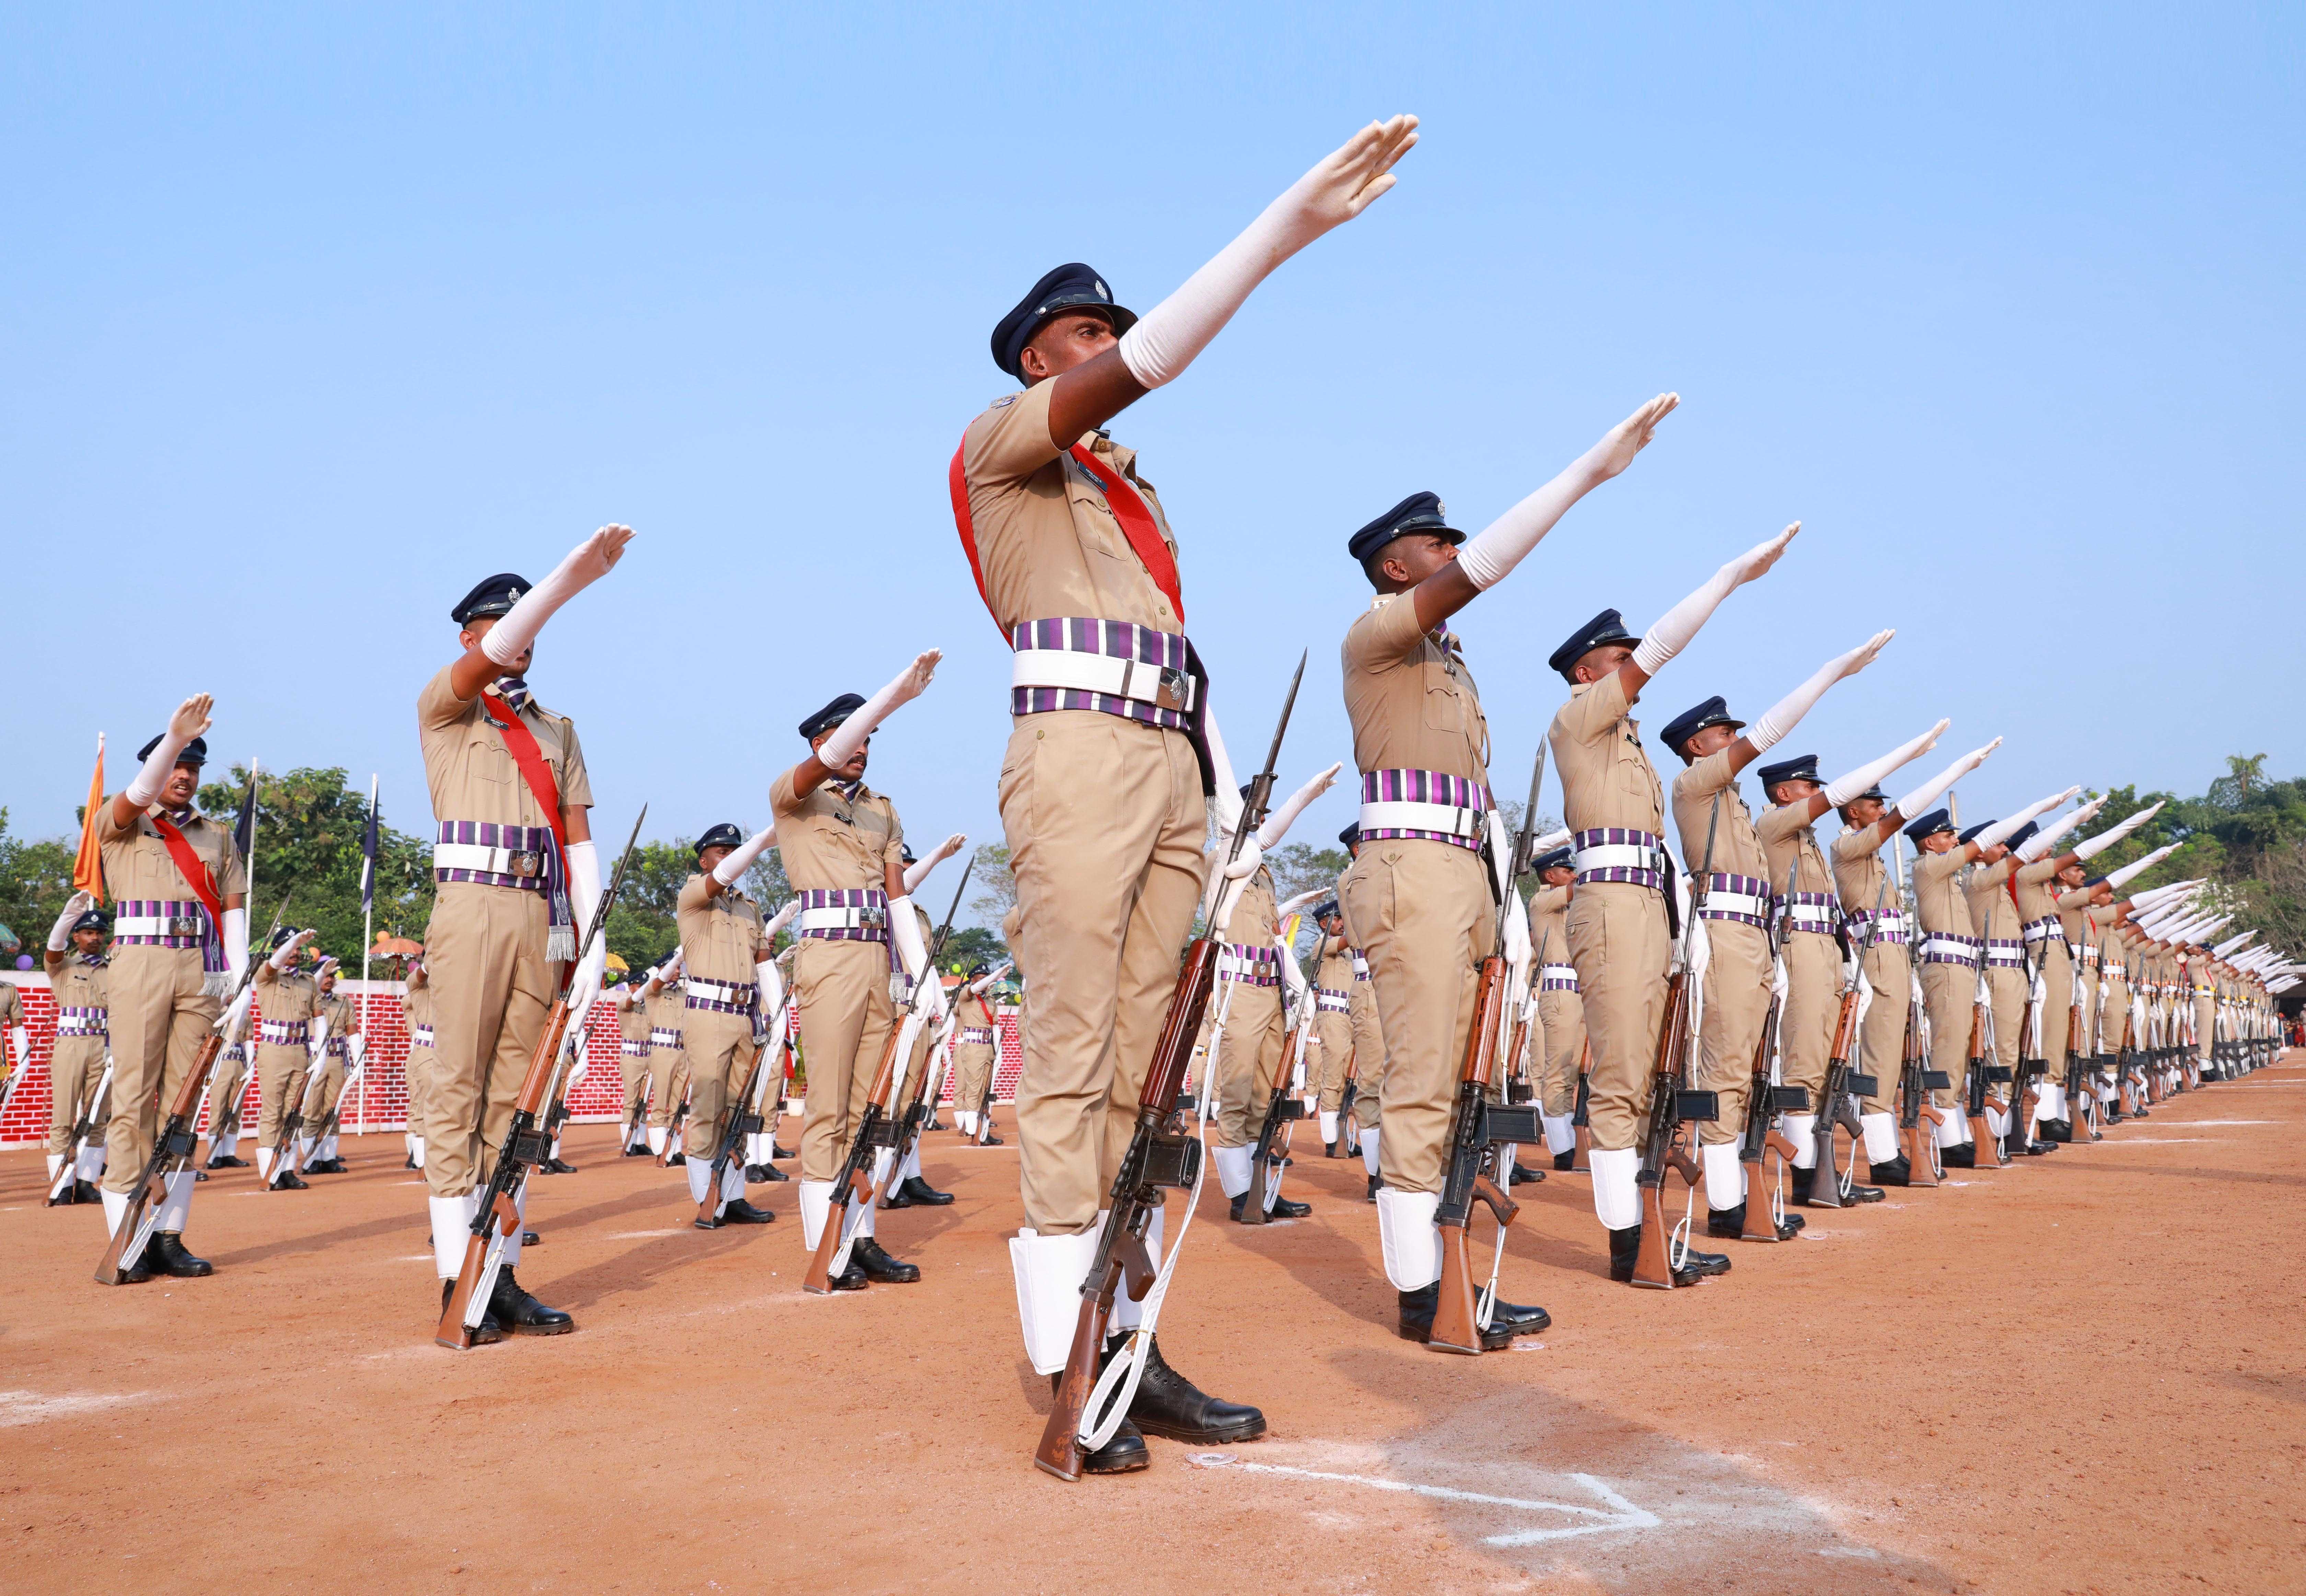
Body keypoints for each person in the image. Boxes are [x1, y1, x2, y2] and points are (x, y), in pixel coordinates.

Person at [955, 120, 1425, 1468]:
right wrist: (1287, 228)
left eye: (1106, 326)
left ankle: (1131, 1341)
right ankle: (1070, 1363)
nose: (1100, 344)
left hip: (1166, 763)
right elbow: (1154, 359)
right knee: (1075, 1051)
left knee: (1151, 1073)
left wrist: (1223, 810)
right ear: (1033, 361)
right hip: (1080, 760)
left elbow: (1180, 659)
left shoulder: (1134, 497)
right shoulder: (1003, 448)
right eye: (1075, 335)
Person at [1341, 420, 1674, 1333]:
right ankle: (1423, 1296)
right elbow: (1488, 565)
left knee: (1457, 1077)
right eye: (1435, 543)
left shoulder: (1448, 665)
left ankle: (1444, 1275)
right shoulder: (1377, 635)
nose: (1453, 551)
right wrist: (1584, 476)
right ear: (1398, 570)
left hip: (1463, 872)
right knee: (1419, 1080)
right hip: (1413, 870)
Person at [1547, 525, 1794, 1286]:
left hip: (1649, 910)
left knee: (1650, 1077)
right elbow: (1662, 646)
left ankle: (1653, 1231)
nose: (1634, 667)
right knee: (1622, 1080)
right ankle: (1631, 1250)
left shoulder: (1628, 744)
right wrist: (1726, 581)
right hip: (1614, 911)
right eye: (1618, 659)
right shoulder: (1581, 719)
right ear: (1588, 671)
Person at [418, 532, 628, 1341]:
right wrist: (569, 580)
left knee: (519, 1097)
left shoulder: (559, 729)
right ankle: (453, 1274)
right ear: (469, 636)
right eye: (503, 627)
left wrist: (585, 943)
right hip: (469, 910)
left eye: (529, 623)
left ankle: (499, 1274)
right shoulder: (448, 703)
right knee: (458, 1090)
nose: (519, 637)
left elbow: (577, 842)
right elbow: (489, 659)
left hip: (540, 917)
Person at [1654, 635, 1893, 1235]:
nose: (1734, 740)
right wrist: (1830, 674)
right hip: (1727, 934)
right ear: (1696, 748)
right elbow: (1772, 739)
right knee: (1728, 1065)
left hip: (1757, 936)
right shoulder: (1697, 788)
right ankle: (1727, 1205)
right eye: (1721, 735)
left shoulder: (1732, 804)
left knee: (1754, 1068)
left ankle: (1744, 1195)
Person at [772, 678, 933, 1289]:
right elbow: (812, 773)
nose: (861, 746)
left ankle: (861, 1238)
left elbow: (896, 896)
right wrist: (889, 697)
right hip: (829, 957)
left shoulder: (883, 808)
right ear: (822, 741)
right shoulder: (795, 796)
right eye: (849, 736)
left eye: (869, 737)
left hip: (876, 959)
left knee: (872, 1110)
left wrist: (920, 976)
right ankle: (826, 1247)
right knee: (830, 1107)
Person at [1753, 727, 1944, 1205]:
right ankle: (1804, 1174)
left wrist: (1843, 958)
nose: (1819, 795)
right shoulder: (1776, 826)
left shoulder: (1810, 842)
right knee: (1804, 1063)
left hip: (1826, 952)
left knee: (1822, 1063)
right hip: (1798, 949)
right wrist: (1906, 753)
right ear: (1784, 794)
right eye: (1809, 787)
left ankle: (1820, 1169)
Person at [94, 701, 249, 1280]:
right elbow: (136, 793)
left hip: (201, 969)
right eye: (175, 765)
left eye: (192, 766)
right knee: (134, 1098)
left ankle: (168, 1235)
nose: (183, 775)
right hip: (140, 964)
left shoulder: (217, 836)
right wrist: (172, 740)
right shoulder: (125, 820)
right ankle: (125, 1238)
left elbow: (233, 910)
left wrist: (236, 983)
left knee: (185, 1102)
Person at [675, 822, 780, 1228]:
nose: (729, 856)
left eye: (733, 849)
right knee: (708, 1104)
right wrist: (758, 844)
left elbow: (763, 960)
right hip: (708, 1012)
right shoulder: (693, 897)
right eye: (722, 851)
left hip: (745, 1015)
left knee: (739, 1109)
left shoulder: (748, 907)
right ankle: (707, 1201)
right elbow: (723, 877)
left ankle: (733, 1196)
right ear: (705, 860)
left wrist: (778, 1013)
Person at [43, 895, 112, 1202]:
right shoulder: (63, 966)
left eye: (99, 933)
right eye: (88, 932)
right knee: (64, 1115)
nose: (95, 938)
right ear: (77, 936)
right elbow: (54, 945)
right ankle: (61, 1184)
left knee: (98, 1118)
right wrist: (69, 915)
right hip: (71, 1044)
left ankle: (85, 1183)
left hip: (105, 1046)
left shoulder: (116, 969)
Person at [251, 928, 323, 1188]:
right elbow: (275, 963)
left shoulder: (308, 981)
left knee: (293, 1113)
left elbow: (318, 1017)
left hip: (300, 1049)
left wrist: (320, 1052)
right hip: (274, 1050)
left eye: (298, 948)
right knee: (273, 1111)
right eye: (290, 947)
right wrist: (294, 941)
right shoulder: (266, 975)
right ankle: (270, 1174)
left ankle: (287, 1169)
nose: (296, 952)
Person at [303, 957, 360, 1174]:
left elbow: (352, 1032)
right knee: (312, 1110)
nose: (330, 979)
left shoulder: (344, 1002)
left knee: (333, 1110)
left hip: (337, 1060)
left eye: (333, 976)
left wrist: (357, 1063)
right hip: (316, 1059)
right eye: (325, 975)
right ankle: (311, 1159)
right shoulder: (308, 999)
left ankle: (328, 1158)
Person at [1309, 902, 1356, 1155]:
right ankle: (1331, 1142)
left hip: (1353, 1016)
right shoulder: (1323, 944)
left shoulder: (1349, 953)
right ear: (1325, 924)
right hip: (1333, 1017)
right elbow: (1347, 941)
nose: (1342, 923)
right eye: (1338, 919)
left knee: (1352, 1079)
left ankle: (1345, 1138)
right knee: (1334, 1077)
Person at [950, 964, 1002, 1144]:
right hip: (972, 1047)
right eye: (981, 979)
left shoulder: (991, 1001)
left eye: (987, 979)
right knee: (972, 1089)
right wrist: (995, 976)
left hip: (988, 1047)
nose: (985, 984)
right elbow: (975, 989)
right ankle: (972, 1133)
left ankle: (983, 1133)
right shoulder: (966, 995)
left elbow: (995, 1027)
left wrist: (999, 1051)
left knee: (985, 1091)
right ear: (972, 980)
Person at [401, 951, 436, 1170]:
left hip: (450, 1051)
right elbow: (418, 977)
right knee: (421, 1104)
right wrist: (435, 960)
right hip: (425, 1051)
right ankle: (419, 1160)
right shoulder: (416, 987)